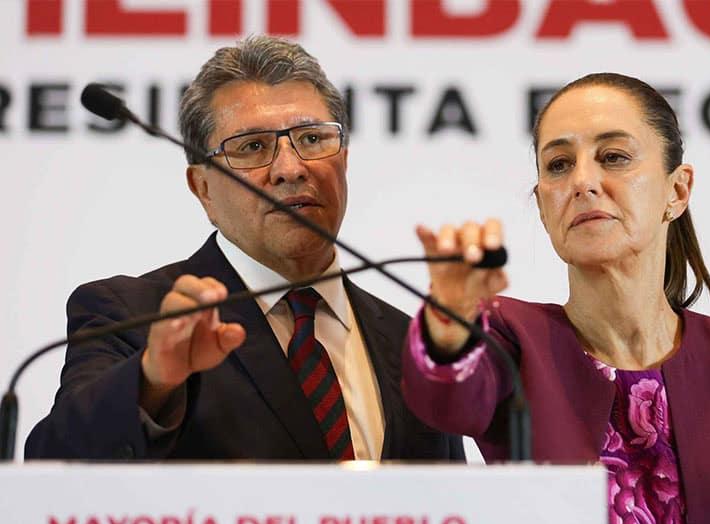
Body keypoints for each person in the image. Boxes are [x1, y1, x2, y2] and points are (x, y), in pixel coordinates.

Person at [401, 73, 710, 524]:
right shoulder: (513, 339)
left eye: (613, 157)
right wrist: (449, 326)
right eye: (558, 164)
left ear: (677, 191)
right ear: (544, 206)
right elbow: (446, 402)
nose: (582, 181)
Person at [25, 35, 464, 463]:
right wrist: (153, 379)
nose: (290, 169)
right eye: (252, 147)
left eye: (312, 139)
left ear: (344, 161)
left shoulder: (414, 345)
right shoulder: (134, 316)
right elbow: (54, 469)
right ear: (203, 189)